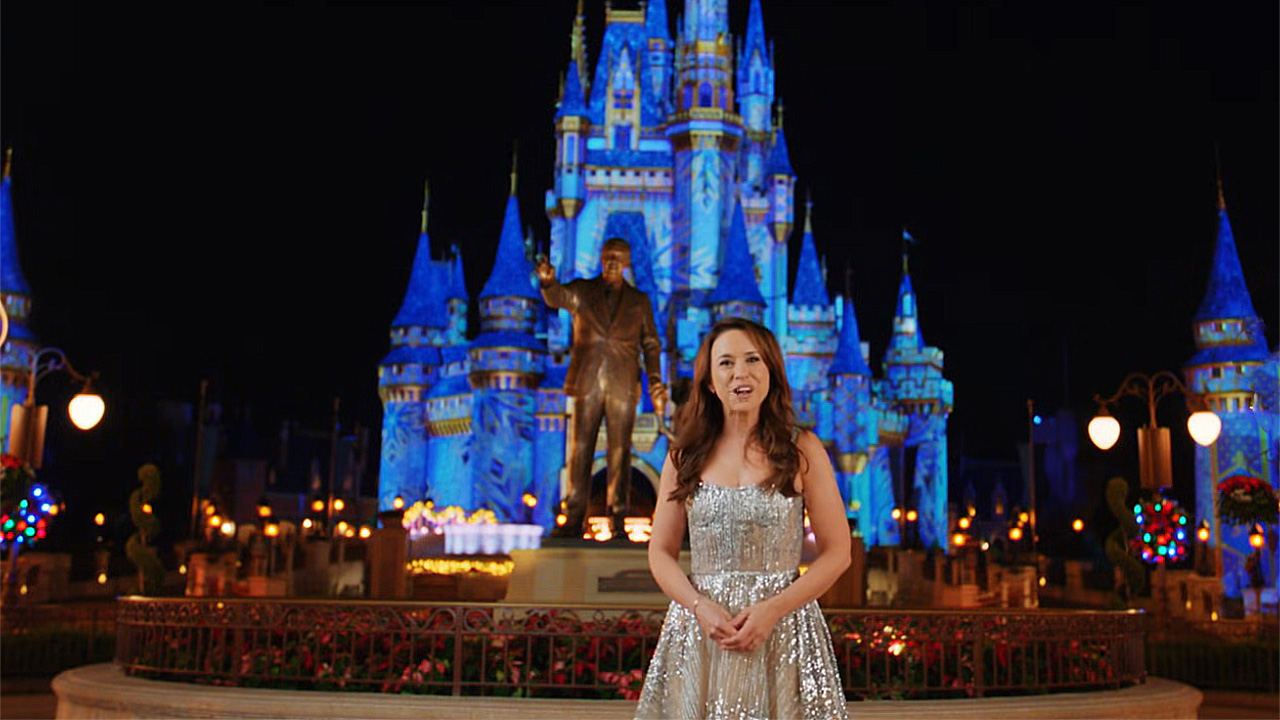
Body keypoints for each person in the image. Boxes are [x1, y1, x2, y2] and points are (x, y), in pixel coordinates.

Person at [634, 317, 851, 720]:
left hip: (784, 632)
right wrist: (699, 607)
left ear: (771, 371)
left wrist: (773, 610)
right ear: (711, 383)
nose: (741, 373)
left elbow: (839, 552)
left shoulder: (802, 449)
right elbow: (660, 552)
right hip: (701, 633)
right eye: (726, 363)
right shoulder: (682, 456)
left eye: (753, 359)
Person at [535, 238, 666, 538]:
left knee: (621, 451)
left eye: (619, 258)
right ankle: (575, 515)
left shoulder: (639, 301)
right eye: (608, 257)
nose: (612, 263)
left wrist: (656, 381)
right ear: (601, 258)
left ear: (627, 263)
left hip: (623, 385)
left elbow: (651, 344)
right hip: (588, 381)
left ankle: (619, 517)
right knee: (581, 449)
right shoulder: (583, 291)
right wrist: (548, 281)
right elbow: (558, 297)